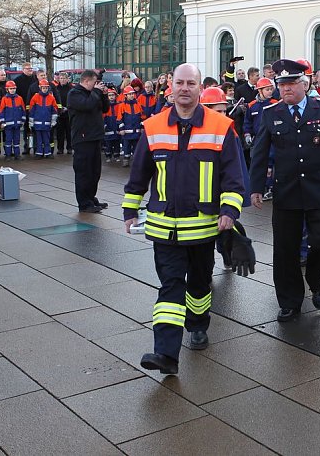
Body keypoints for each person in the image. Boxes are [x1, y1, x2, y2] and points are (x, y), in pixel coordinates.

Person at [122, 63, 245, 375]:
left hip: (203, 229)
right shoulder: (153, 126)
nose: (185, 88)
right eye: (180, 83)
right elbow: (139, 174)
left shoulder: (221, 126)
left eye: (191, 83)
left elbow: (234, 177)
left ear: (200, 89)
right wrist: (129, 210)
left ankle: (198, 323)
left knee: (200, 285)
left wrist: (229, 211)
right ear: (171, 87)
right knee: (171, 288)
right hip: (164, 228)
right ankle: (165, 354)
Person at [249, 59, 320, 322]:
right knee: (285, 250)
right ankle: (289, 301)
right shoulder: (271, 113)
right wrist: (256, 187)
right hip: (286, 192)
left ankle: (316, 281)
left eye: (291, 83)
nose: (285, 89)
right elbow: (260, 152)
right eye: (281, 84)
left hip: (319, 190)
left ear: (305, 85)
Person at [67, 70, 110, 213]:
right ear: (86, 81)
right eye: (94, 82)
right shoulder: (75, 94)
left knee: (95, 171)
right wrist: (97, 92)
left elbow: (105, 108)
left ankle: (91, 198)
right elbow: (87, 105)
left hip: (95, 136)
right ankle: (84, 203)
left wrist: (103, 95)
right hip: (82, 138)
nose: (96, 85)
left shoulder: (93, 94)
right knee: (84, 172)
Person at [28, 80, 58, 159]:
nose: (45, 89)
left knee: (47, 139)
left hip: (47, 123)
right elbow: (31, 111)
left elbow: (54, 111)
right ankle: (39, 153)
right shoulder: (35, 97)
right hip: (38, 124)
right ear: (40, 88)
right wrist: (31, 123)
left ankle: (48, 153)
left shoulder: (51, 98)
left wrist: (53, 121)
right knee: (39, 140)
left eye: (46, 88)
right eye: (43, 88)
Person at [0, 81, 26, 160]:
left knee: (17, 140)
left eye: (14, 88)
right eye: (11, 89)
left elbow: (23, 110)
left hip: (17, 124)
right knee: (8, 141)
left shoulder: (19, 98)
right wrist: (2, 122)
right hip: (8, 125)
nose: (12, 90)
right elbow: (1, 111)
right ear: (7, 89)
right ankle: (8, 155)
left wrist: (22, 120)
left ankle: (17, 155)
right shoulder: (4, 99)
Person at [117, 87, 144, 167]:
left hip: (137, 132)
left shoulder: (138, 104)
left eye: (132, 94)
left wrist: (142, 127)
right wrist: (121, 129)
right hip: (126, 133)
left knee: (136, 148)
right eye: (130, 94)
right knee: (126, 148)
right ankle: (126, 160)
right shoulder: (122, 106)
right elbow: (119, 119)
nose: (132, 95)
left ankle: (136, 162)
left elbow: (142, 117)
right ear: (126, 95)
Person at [54, 72, 73, 154]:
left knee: (69, 132)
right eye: (61, 78)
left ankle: (69, 148)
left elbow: (73, 100)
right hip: (59, 114)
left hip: (69, 114)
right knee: (60, 133)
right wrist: (59, 109)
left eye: (64, 78)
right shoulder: (56, 89)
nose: (62, 80)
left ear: (67, 79)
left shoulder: (71, 88)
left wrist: (68, 108)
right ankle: (60, 148)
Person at [102, 88, 121, 163]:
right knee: (108, 144)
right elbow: (103, 116)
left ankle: (117, 156)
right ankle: (108, 156)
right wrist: (105, 125)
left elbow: (120, 116)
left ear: (115, 96)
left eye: (113, 95)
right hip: (108, 127)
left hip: (116, 126)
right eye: (109, 95)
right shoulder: (105, 106)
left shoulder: (118, 105)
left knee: (117, 143)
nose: (111, 97)